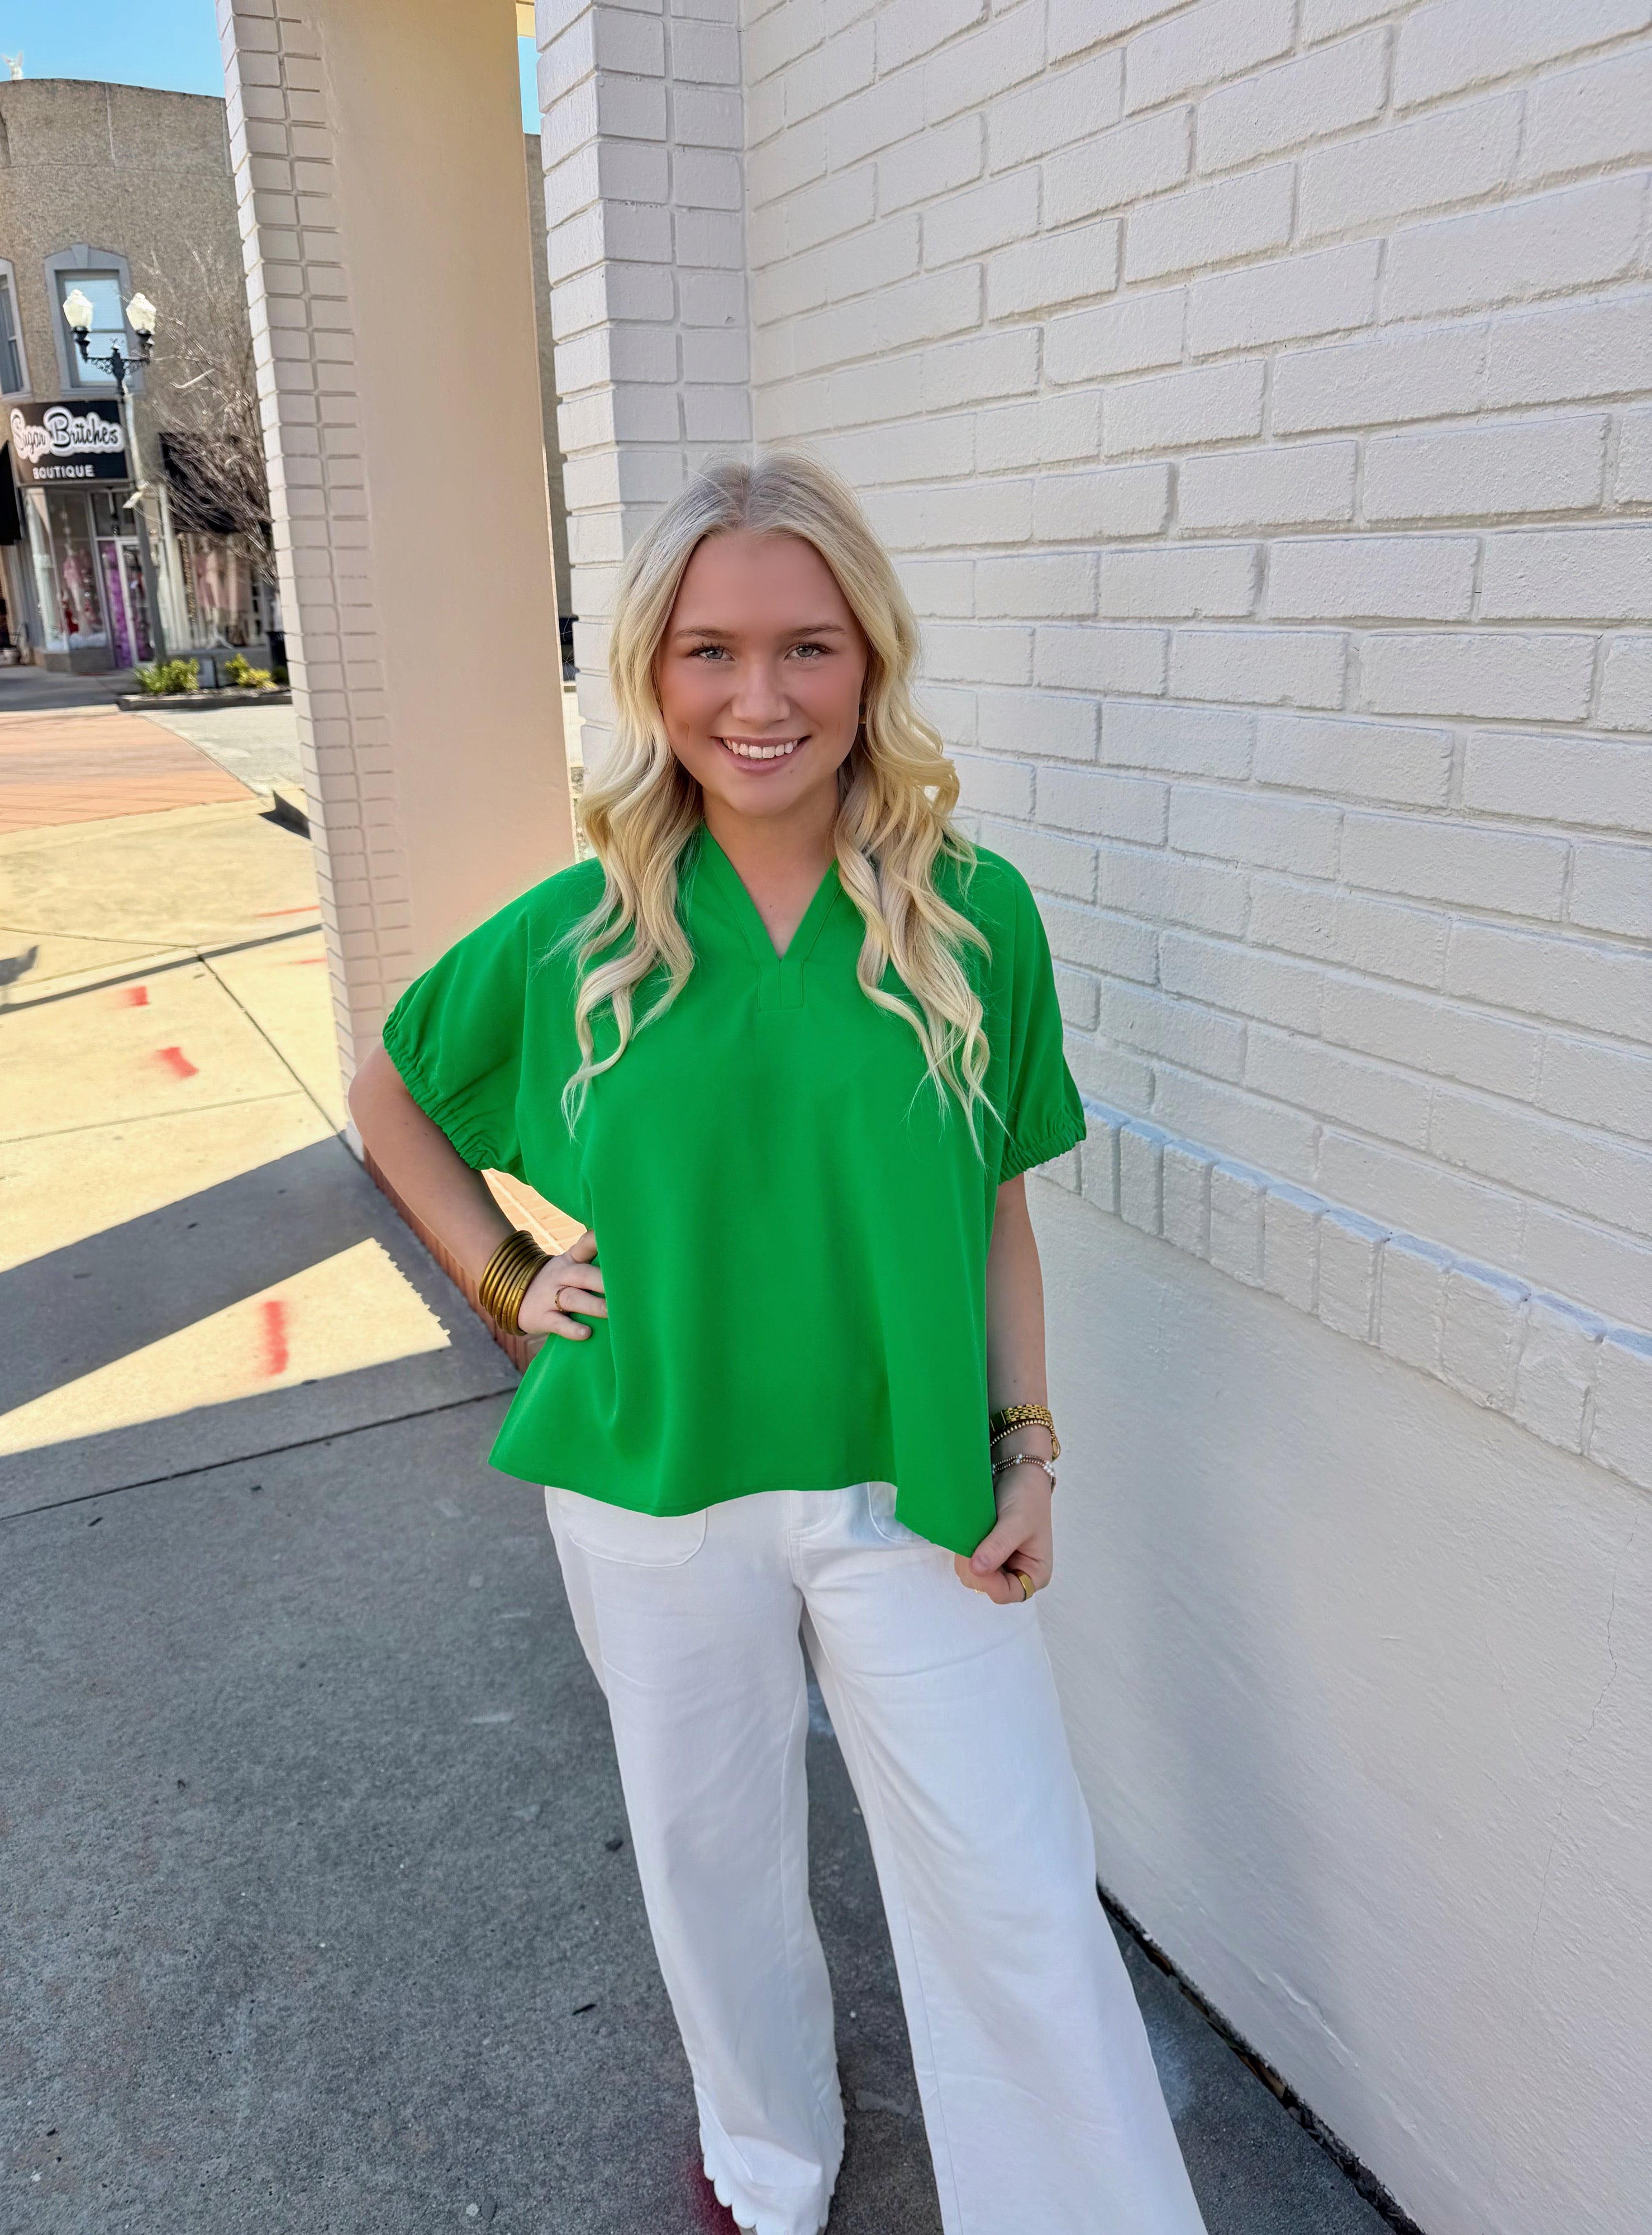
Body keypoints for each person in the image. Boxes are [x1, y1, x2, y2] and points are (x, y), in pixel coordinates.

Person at [348, 449, 1208, 2235]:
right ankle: (767, 2157)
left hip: (915, 1486)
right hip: (652, 1479)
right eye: (712, 652)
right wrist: (505, 1277)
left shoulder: (974, 918)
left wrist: (1030, 1444)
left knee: (1017, 1884)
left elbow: (991, 1209)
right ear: (652, 675)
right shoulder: (581, 931)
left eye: (808, 648)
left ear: (870, 664)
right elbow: (393, 1090)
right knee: (711, 1855)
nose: (761, 699)